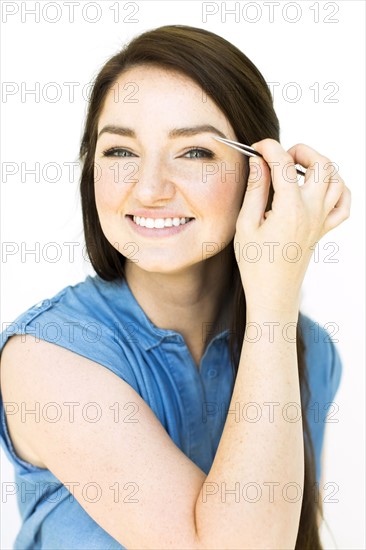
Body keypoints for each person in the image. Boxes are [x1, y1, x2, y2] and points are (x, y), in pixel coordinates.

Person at [0, 24, 350, 550]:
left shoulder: (310, 350)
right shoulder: (44, 358)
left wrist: (274, 300)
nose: (149, 188)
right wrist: (275, 299)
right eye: (120, 152)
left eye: (195, 153)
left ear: (264, 172)